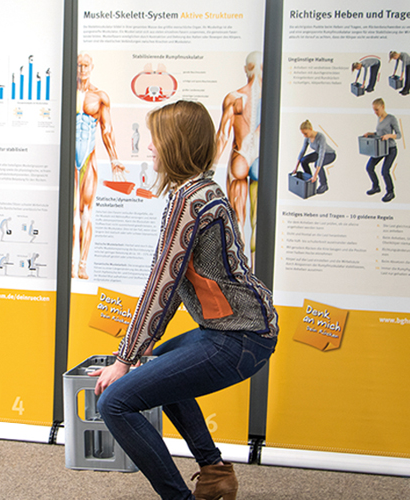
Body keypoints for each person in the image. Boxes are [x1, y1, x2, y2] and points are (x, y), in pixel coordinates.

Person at [90, 100, 278, 500]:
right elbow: (174, 284)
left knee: (115, 402)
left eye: (155, 139)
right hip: (235, 332)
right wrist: (139, 352)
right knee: (155, 367)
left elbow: (161, 281)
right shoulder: (197, 190)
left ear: (175, 145)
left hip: (240, 338)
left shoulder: (189, 200)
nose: (149, 147)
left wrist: (124, 359)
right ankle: (214, 473)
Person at [74, 53, 126, 279]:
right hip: (69, 160)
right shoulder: (66, 93)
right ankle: (69, 264)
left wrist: (114, 158)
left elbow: (107, 129)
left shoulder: (99, 96)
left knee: (85, 213)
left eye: (86, 65)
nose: (82, 69)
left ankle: (82, 265)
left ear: (92, 67)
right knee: (70, 213)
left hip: (88, 157)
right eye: (79, 65)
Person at [215, 51, 262, 259]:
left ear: (246, 69)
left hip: (239, 157)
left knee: (237, 223)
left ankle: (239, 271)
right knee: (258, 222)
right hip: (260, 159)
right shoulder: (271, 100)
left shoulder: (235, 97)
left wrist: (210, 168)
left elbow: (223, 135)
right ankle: (256, 271)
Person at [364, 98, 401, 202]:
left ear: (383, 107)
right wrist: (371, 133)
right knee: (369, 167)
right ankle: (376, 186)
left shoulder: (391, 118)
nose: (375, 112)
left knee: (385, 171)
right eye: (374, 110)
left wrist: (389, 136)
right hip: (380, 148)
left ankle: (390, 192)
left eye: (377, 109)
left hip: (390, 149)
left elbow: (399, 135)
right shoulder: (379, 119)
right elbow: (379, 134)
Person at [293, 120, 335, 194]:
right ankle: (309, 180)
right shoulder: (307, 138)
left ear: (311, 129)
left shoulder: (321, 137)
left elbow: (321, 155)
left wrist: (315, 175)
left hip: (329, 154)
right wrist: (296, 168)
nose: (304, 136)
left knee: (317, 164)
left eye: (305, 133)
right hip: (318, 153)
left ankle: (324, 185)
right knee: (303, 161)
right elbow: (302, 151)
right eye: (303, 134)